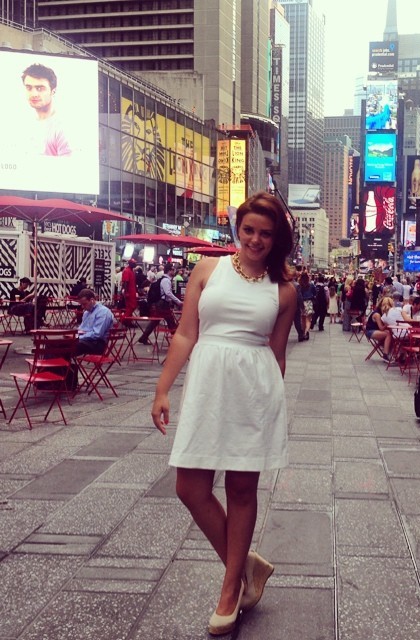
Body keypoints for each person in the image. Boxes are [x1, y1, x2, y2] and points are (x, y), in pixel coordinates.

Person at [151, 191, 297, 636]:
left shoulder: (284, 290)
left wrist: (272, 408)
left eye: (265, 234)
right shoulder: (207, 269)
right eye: (249, 229)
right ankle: (246, 565)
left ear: (277, 240)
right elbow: (184, 334)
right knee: (189, 486)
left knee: (240, 488)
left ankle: (231, 589)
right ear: (238, 228)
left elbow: (277, 356)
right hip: (207, 385)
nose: (255, 240)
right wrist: (162, 389)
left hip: (254, 391)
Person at [22, 63, 71, 156]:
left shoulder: (63, 127)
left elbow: (70, 167)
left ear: (53, 91)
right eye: (29, 88)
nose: (34, 94)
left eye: (40, 88)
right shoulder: (23, 124)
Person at [137, 264, 183, 345]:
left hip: (161, 303)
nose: (174, 271)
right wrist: (178, 301)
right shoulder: (166, 280)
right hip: (163, 304)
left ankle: (143, 337)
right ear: (169, 271)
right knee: (170, 321)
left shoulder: (164, 279)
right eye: (172, 269)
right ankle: (177, 341)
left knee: (156, 321)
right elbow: (168, 293)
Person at [75, 289, 114, 356]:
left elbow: (97, 334)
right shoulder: (86, 313)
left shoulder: (103, 312)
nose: (82, 307)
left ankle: (64, 365)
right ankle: (64, 365)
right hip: (87, 341)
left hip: (97, 343)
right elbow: (81, 329)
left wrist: (78, 337)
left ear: (92, 300)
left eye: (84, 304)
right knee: (60, 345)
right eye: (81, 304)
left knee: (68, 347)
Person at [365, 297, 394, 361]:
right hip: (370, 331)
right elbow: (381, 328)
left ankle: (389, 353)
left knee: (391, 334)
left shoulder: (381, 312)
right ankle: (385, 355)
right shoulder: (377, 314)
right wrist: (387, 325)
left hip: (375, 330)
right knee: (388, 334)